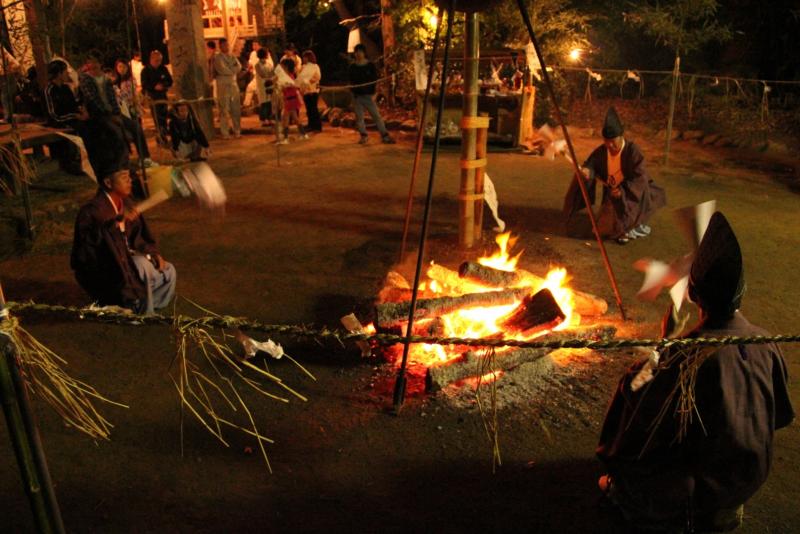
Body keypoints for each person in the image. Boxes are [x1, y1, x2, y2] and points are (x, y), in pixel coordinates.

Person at [597, 211, 794, 532]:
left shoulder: (687, 355)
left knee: (631, 453)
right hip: (749, 475)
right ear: (740, 293)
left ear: (694, 295)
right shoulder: (766, 341)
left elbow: (635, 392)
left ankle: (681, 504)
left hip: (702, 484)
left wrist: (664, 347)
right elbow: (780, 416)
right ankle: (723, 499)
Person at [71, 169, 177, 314]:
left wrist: (153, 253)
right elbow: (85, 254)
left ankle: (134, 304)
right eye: (124, 177)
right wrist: (113, 224)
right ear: (108, 182)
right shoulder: (91, 212)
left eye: (129, 176)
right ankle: (141, 310)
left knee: (168, 270)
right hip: (109, 271)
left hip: (130, 264)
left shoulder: (126, 203)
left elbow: (140, 237)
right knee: (142, 265)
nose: (129, 181)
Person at [563, 107, 665, 244]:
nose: (610, 145)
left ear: (621, 137)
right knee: (600, 231)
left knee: (619, 230)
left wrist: (622, 191)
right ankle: (627, 226)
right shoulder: (602, 151)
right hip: (612, 197)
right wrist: (588, 171)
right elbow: (591, 163)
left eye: (613, 141)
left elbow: (639, 177)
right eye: (606, 141)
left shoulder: (633, 152)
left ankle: (634, 226)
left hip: (630, 198)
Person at [78, 55, 130, 177]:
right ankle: (119, 165)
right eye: (91, 62)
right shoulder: (85, 79)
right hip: (97, 115)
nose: (94, 64)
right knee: (116, 132)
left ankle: (138, 159)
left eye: (96, 61)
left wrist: (116, 112)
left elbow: (112, 97)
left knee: (134, 127)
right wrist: (107, 113)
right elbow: (93, 99)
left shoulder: (106, 79)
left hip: (111, 112)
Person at [348, 44, 394, 145]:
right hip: (357, 96)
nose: (358, 54)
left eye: (360, 51)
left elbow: (375, 81)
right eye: (356, 52)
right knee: (359, 118)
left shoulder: (370, 66)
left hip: (368, 96)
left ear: (364, 53)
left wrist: (375, 94)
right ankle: (364, 136)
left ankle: (384, 135)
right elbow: (351, 83)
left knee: (376, 116)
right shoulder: (352, 67)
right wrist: (352, 96)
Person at [113, 59, 156, 168]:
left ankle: (144, 157)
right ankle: (136, 157)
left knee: (137, 133)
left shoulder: (131, 80)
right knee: (129, 134)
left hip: (132, 110)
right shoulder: (115, 82)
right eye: (119, 67)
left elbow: (128, 96)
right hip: (122, 112)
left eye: (123, 67)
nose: (121, 69)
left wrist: (119, 95)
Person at [140, 50, 173, 143]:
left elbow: (170, 81)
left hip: (163, 95)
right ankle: (161, 136)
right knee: (157, 117)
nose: (158, 62)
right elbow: (144, 84)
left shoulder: (163, 69)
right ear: (151, 60)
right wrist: (154, 86)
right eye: (156, 60)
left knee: (164, 115)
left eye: (159, 60)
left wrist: (164, 85)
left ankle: (164, 133)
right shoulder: (145, 70)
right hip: (153, 96)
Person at [213, 38, 242, 139]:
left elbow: (239, 67)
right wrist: (232, 69)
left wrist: (231, 69)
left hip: (233, 84)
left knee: (236, 108)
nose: (227, 47)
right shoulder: (217, 57)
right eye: (224, 45)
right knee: (224, 109)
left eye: (227, 45)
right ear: (220, 46)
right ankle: (225, 132)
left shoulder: (232, 56)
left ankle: (237, 130)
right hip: (223, 84)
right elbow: (222, 69)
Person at [276, 59, 307, 144]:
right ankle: (303, 134)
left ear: (286, 67)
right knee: (295, 118)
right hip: (292, 98)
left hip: (290, 98)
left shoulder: (288, 76)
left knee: (285, 118)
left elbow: (287, 86)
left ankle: (285, 138)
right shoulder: (290, 75)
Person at [298, 50, 321, 132]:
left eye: (305, 57)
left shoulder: (315, 66)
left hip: (313, 91)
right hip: (306, 91)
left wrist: (308, 80)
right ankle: (311, 125)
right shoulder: (304, 67)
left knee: (313, 109)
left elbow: (317, 77)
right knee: (309, 109)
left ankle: (317, 126)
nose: (303, 59)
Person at [253, 47, 274, 127]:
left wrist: (270, 78)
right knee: (263, 102)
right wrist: (269, 77)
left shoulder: (269, 64)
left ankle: (269, 118)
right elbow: (262, 74)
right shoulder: (257, 65)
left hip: (269, 84)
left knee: (269, 102)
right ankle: (264, 119)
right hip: (262, 85)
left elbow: (272, 72)